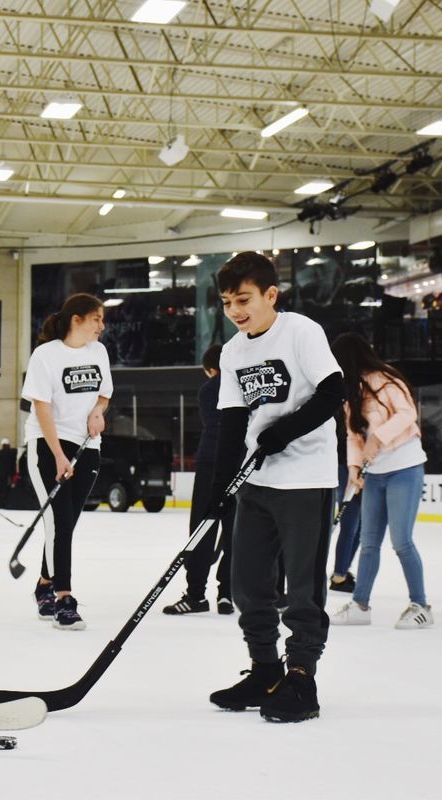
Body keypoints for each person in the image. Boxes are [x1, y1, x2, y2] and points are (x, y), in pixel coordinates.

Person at [205, 253, 344, 725]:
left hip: (306, 479)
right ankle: (265, 670)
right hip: (256, 481)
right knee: (248, 585)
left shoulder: (301, 332)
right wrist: (218, 489)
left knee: (303, 588)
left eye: (243, 299)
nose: (235, 311)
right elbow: (230, 421)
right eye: (226, 303)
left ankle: (301, 677)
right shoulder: (233, 351)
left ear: (270, 295)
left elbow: (332, 393)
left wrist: (284, 431)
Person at [22, 292, 112, 631]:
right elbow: (41, 408)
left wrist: (97, 412)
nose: (102, 326)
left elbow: (105, 393)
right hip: (48, 445)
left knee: (67, 524)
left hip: (88, 443)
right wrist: (58, 455)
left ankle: (44, 585)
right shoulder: (46, 355)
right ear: (77, 319)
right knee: (59, 523)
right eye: (96, 319)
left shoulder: (98, 352)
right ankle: (64, 598)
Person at [330, 333, 432, 629]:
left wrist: (378, 437)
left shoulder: (386, 380)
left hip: (405, 467)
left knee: (401, 540)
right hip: (374, 473)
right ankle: (360, 605)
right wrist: (353, 467)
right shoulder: (350, 391)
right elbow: (352, 435)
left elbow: (407, 414)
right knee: (369, 543)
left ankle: (420, 604)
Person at [164, 344, 235, 615]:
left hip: (211, 463)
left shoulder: (209, 388)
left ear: (211, 370)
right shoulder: (246, 385)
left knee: (203, 528)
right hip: (240, 465)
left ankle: (196, 594)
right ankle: (226, 594)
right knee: (234, 530)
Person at [328, 408, 363, 593]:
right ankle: (339, 574)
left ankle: (342, 571)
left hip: (363, 466)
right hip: (346, 467)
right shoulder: (344, 402)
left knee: (361, 527)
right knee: (350, 523)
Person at [0, 438, 16, 509]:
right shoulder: (12, 452)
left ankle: (0, 504)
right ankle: (6, 504)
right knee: (7, 489)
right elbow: (13, 464)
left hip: (0, 475)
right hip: (8, 475)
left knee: (0, 489)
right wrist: (12, 474)